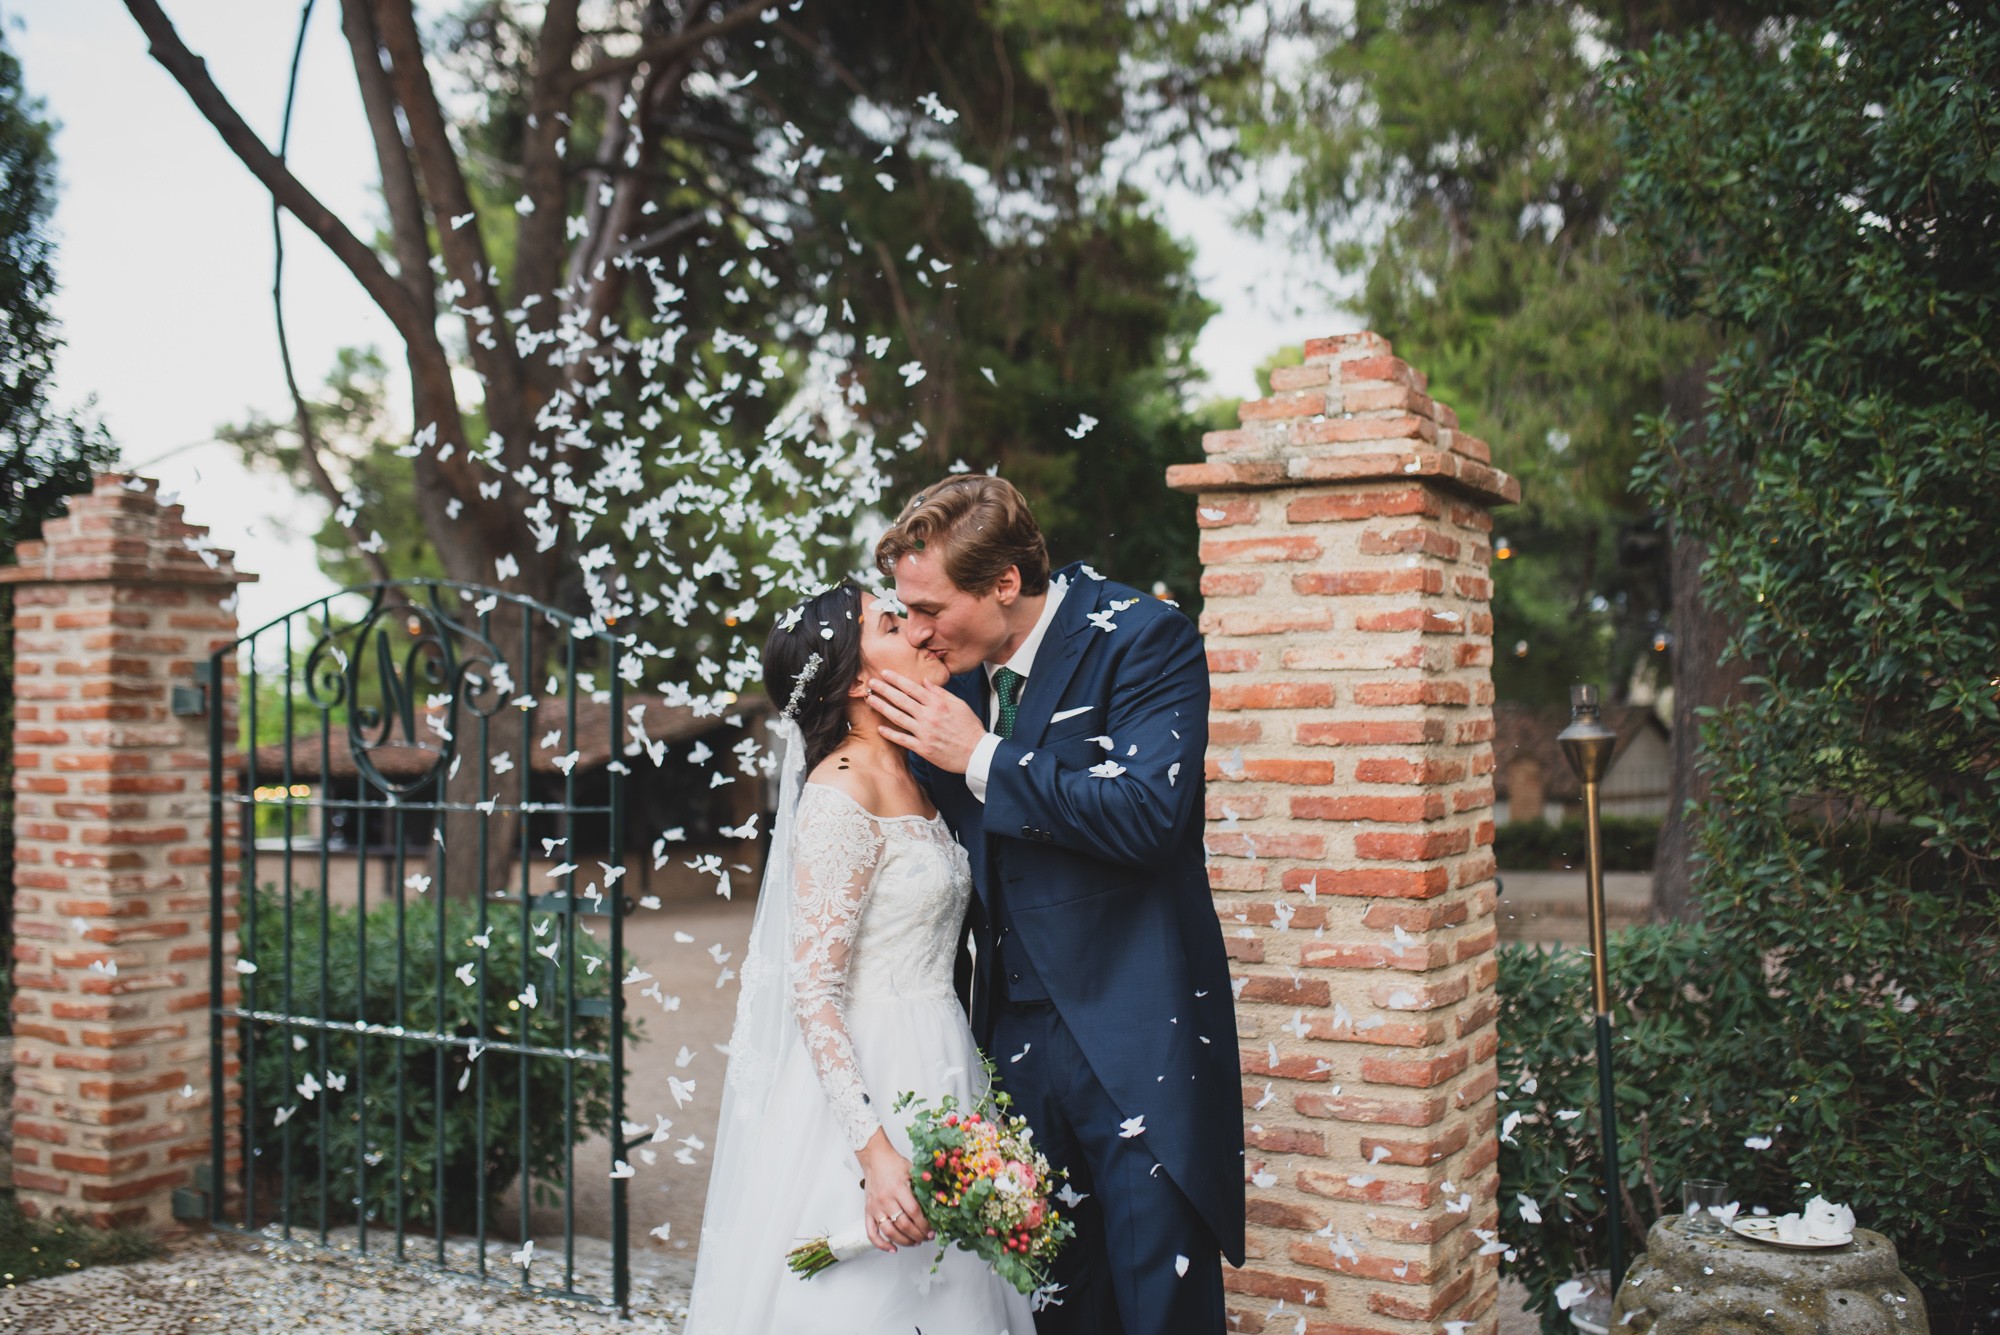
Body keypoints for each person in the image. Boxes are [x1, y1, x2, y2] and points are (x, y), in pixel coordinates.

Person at [865, 476, 1246, 1335]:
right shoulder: (948, 679)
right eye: (903, 609)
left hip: (1133, 1039)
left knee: (1161, 1308)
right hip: (1009, 1049)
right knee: (1058, 1309)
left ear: (1005, 581)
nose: (918, 630)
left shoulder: (1145, 640)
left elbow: (1152, 815)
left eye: (931, 607)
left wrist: (984, 758)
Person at [684, 579, 1036, 1334]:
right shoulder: (838, 795)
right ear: (855, 677)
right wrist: (874, 1156)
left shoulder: (920, 773)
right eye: (891, 621)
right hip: (869, 1087)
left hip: (945, 1067)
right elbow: (813, 992)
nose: (917, 629)